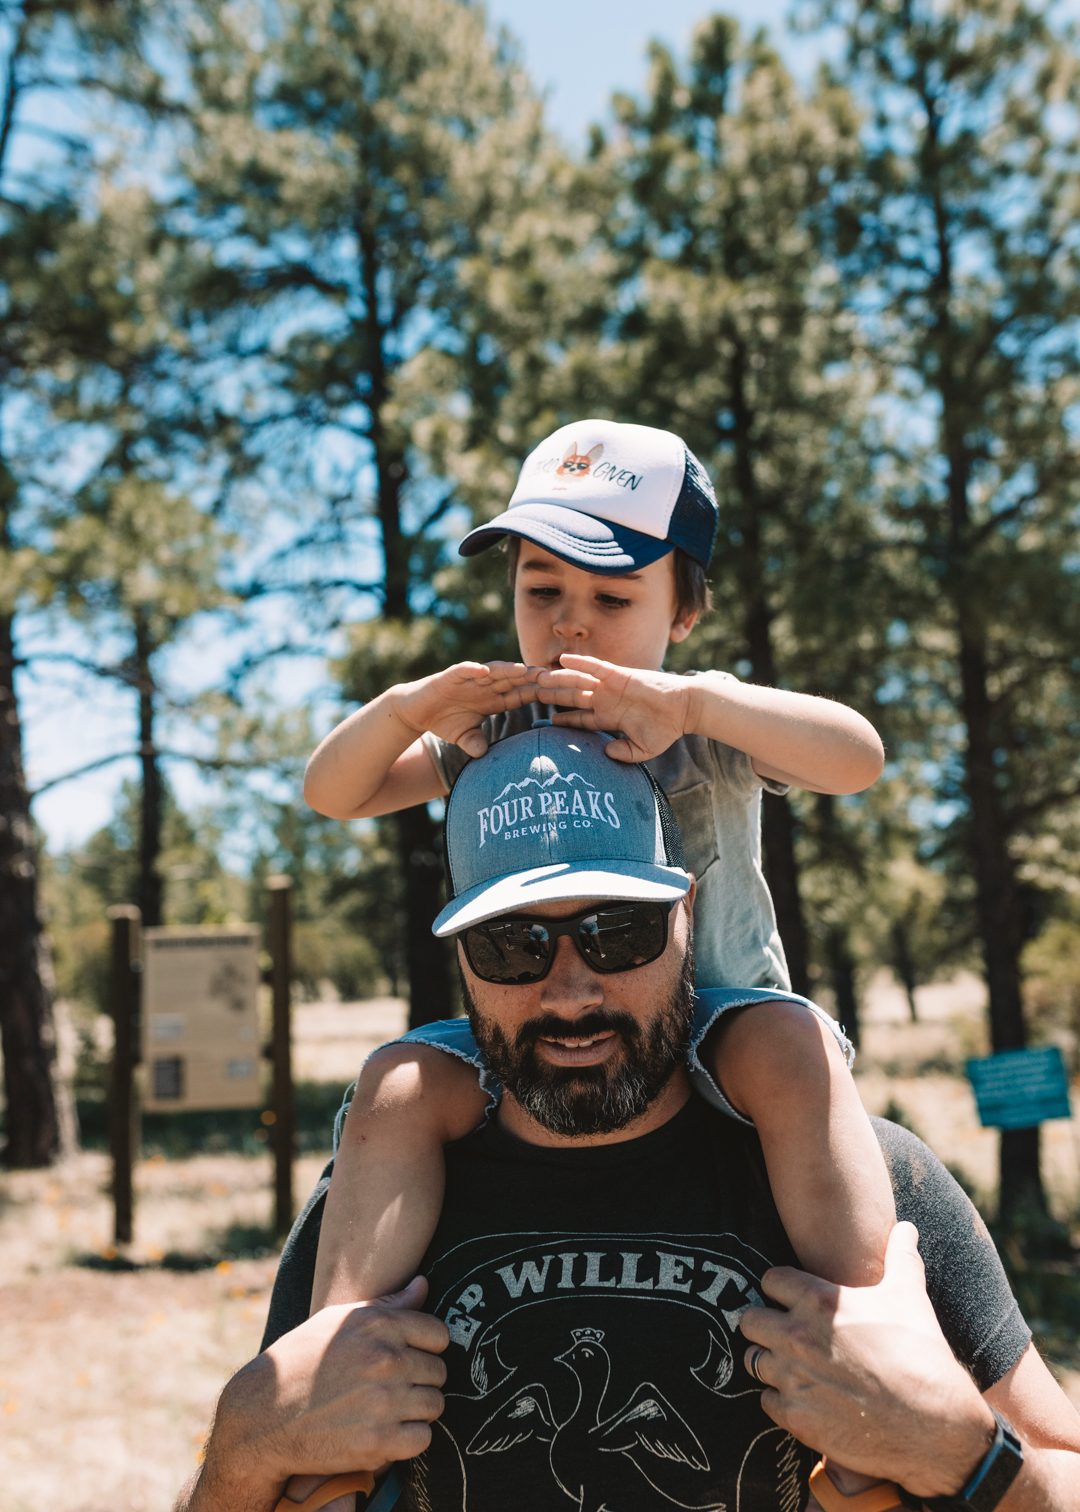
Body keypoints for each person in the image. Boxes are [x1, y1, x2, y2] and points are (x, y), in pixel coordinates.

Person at [177, 725, 1080, 1512]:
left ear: (688, 913)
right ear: (460, 960)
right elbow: (280, 1474)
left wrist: (968, 1456)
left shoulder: (867, 1173)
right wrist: (244, 1447)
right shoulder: (379, 1191)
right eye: (511, 945)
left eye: (619, 933)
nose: (570, 991)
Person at [302, 419, 893, 1341]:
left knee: (789, 1050)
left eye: (613, 597)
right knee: (399, 1085)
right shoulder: (494, 727)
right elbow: (338, 793)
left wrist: (698, 701)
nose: (571, 619)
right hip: (536, 1021)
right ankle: (332, 1366)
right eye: (542, 589)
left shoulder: (705, 718)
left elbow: (857, 756)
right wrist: (407, 707)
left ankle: (868, 1331)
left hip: (721, 1017)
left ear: (682, 613)